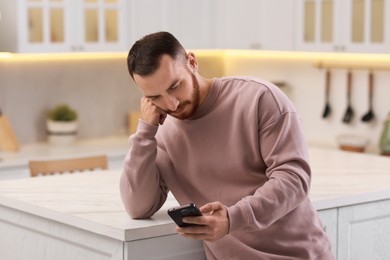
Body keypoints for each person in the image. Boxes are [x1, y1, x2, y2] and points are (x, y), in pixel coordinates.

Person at [120, 31, 334, 259]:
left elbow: (294, 179)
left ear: (192, 62)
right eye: (155, 97)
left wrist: (234, 218)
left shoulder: (260, 98)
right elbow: (138, 207)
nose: (171, 104)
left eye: (175, 87)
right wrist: (144, 134)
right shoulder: (160, 133)